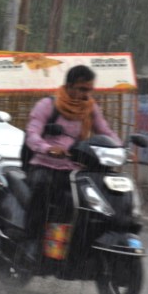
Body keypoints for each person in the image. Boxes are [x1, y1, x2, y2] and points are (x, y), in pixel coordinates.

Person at [23, 65, 121, 261]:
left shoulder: (90, 108)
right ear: (69, 86)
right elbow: (32, 134)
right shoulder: (47, 105)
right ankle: (31, 240)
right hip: (44, 165)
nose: (86, 95)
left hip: (74, 169)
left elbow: (106, 132)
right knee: (43, 190)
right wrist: (48, 148)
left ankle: (80, 246)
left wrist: (120, 149)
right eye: (82, 89)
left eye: (89, 90)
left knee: (95, 198)